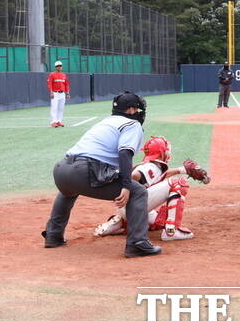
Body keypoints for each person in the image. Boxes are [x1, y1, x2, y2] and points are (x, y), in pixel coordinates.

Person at [42, 91, 162, 258]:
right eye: (136, 109)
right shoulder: (131, 124)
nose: (138, 112)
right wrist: (127, 186)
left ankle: (53, 235)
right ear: (130, 111)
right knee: (138, 192)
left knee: (68, 191)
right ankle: (137, 243)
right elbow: (124, 154)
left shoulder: (105, 122)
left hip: (62, 170)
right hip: (84, 171)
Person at [93, 136, 210, 241]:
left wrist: (182, 170)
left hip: (127, 208)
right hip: (132, 206)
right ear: (161, 152)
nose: (167, 152)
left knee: (160, 221)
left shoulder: (150, 166)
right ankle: (171, 232)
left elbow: (158, 177)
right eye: (165, 150)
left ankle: (120, 223)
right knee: (179, 183)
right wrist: (126, 189)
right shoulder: (151, 167)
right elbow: (133, 176)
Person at [47, 60, 70, 127]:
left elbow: (66, 84)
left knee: (61, 108)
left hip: (62, 94)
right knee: (54, 108)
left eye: (60, 66)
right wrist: (51, 92)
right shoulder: (52, 74)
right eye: (58, 66)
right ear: (55, 67)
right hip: (55, 93)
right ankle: (53, 122)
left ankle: (59, 121)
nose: (59, 67)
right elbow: (49, 84)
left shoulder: (64, 75)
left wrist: (67, 93)